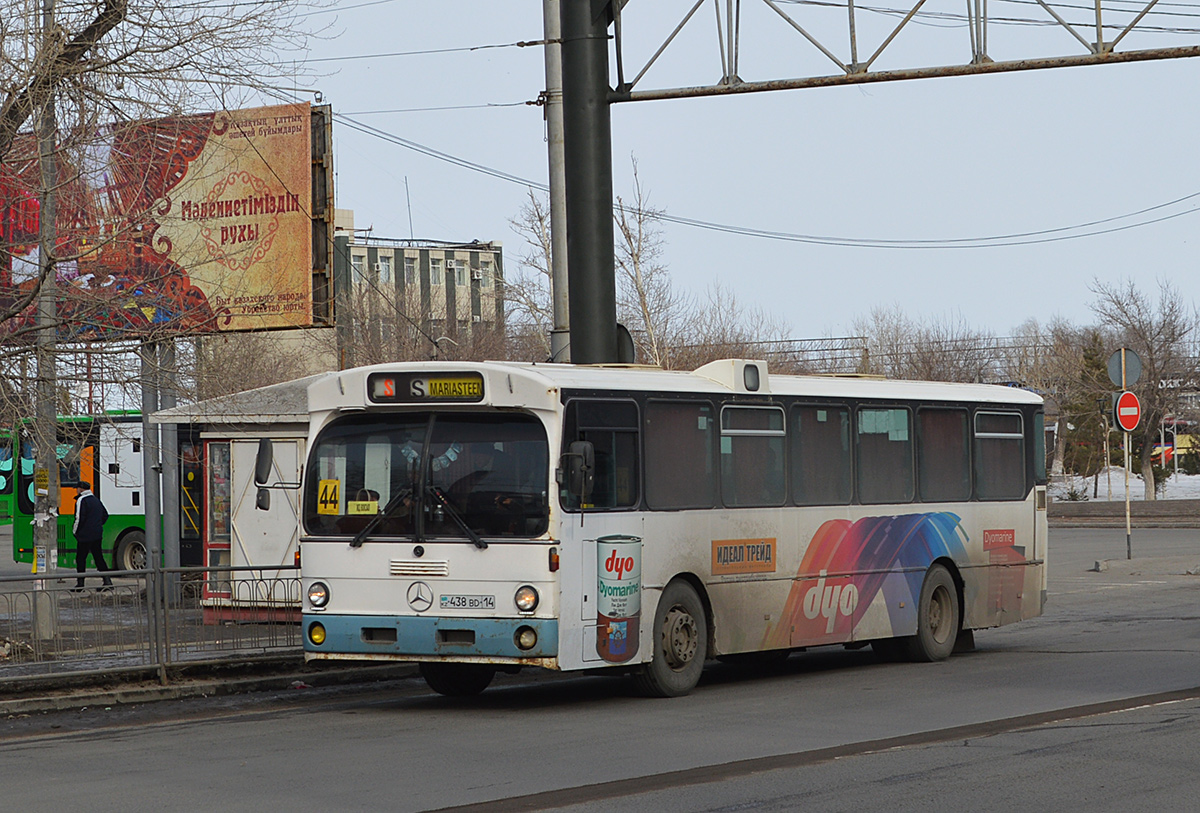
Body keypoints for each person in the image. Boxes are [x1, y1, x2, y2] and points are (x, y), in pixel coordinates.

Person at [72, 481, 112, 592]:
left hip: (85, 535)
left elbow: (79, 518)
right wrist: (97, 525)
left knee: (80, 559)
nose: (76, 490)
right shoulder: (96, 500)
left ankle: (80, 585)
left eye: (77, 488)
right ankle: (107, 581)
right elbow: (105, 515)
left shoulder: (81, 500)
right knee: (99, 558)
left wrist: (75, 531)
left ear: (81, 489)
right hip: (97, 534)